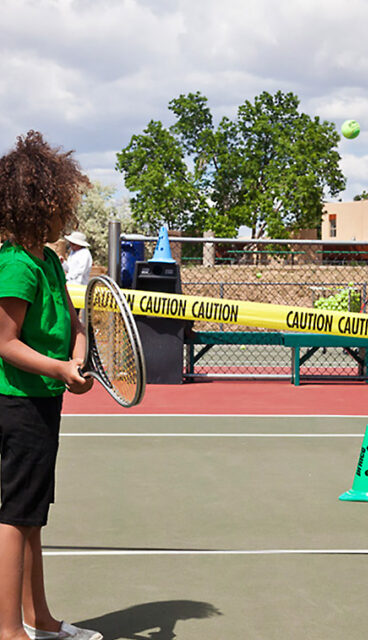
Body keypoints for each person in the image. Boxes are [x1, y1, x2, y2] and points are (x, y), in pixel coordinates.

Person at [0, 131, 102, 640]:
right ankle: (9, 631)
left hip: (41, 403)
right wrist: (58, 369)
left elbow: (75, 321)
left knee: (31, 516)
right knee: (13, 518)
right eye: (63, 204)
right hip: (15, 405)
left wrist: (77, 357)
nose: (68, 214)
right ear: (39, 205)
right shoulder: (17, 263)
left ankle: (39, 621)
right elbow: (4, 342)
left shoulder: (47, 260)